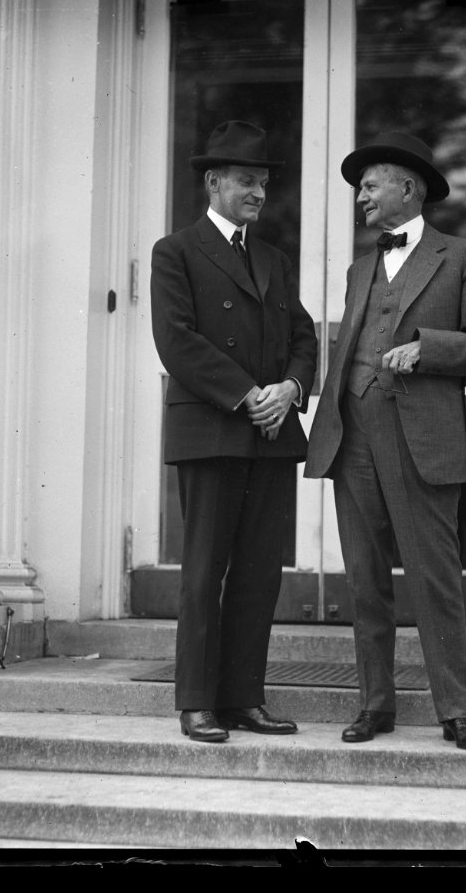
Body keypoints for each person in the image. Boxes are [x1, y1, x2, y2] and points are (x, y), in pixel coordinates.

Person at [304, 130, 466, 750]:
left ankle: (455, 711)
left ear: (408, 189)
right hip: (354, 436)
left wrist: (429, 349)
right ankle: (375, 706)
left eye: (370, 185)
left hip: (424, 439)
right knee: (366, 581)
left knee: (434, 579)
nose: (361, 196)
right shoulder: (360, 267)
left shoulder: (461, 254)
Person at [150, 120, 318, 742]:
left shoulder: (273, 258)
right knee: (204, 571)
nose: (258, 193)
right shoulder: (176, 251)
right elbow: (177, 342)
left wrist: (291, 389)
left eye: (264, 182)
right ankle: (197, 701)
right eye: (246, 181)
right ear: (214, 182)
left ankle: (245, 697)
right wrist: (248, 393)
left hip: (270, 434)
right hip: (214, 429)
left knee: (258, 573)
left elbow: (303, 338)